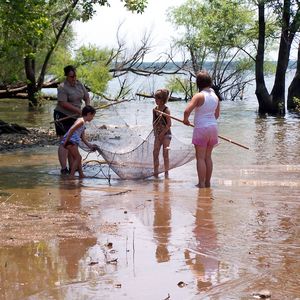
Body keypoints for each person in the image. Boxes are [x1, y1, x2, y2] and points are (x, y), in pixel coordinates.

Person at [183, 71, 220, 188]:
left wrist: (185, 120)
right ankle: (208, 183)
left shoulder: (199, 96)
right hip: (213, 128)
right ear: (210, 82)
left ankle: (201, 183)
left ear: (198, 83)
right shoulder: (216, 97)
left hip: (201, 129)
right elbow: (217, 115)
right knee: (208, 157)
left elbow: (186, 111)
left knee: (200, 157)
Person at [53, 65, 90, 175]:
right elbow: (62, 103)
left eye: (75, 76)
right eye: (71, 76)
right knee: (64, 141)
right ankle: (64, 169)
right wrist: (79, 111)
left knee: (73, 142)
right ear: (66, 76)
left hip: (75, 117)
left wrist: (87, 108)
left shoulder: (79, 84)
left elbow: (87, 97)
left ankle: (72, 168)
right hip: (62, 115)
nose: (74, 78)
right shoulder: (62, 87)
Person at [61, 105, 98, 178]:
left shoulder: (83, 123)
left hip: (72, 141)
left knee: (78, 158)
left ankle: (81, 174)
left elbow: (83, 138)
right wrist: (66, 141)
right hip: (70, 141)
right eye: (93, 116)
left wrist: (90, 146)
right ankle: (71, 175)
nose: (92, 118)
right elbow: (71, 129)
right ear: (89, 114)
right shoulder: (81, 121)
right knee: (78, 158)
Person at [152, 88, 172, 177]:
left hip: (166, 134)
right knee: (155, 152)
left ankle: (166, 173)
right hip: (158, 134)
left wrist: (162, 133)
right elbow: (154, 123)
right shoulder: (155, 110)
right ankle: (155, 172)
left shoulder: (166, 110)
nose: (156, 100)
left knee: (165, 154)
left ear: (163, 99)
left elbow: (169, 124)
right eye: (155, 98)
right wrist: (156, 134)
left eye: (158, 98)